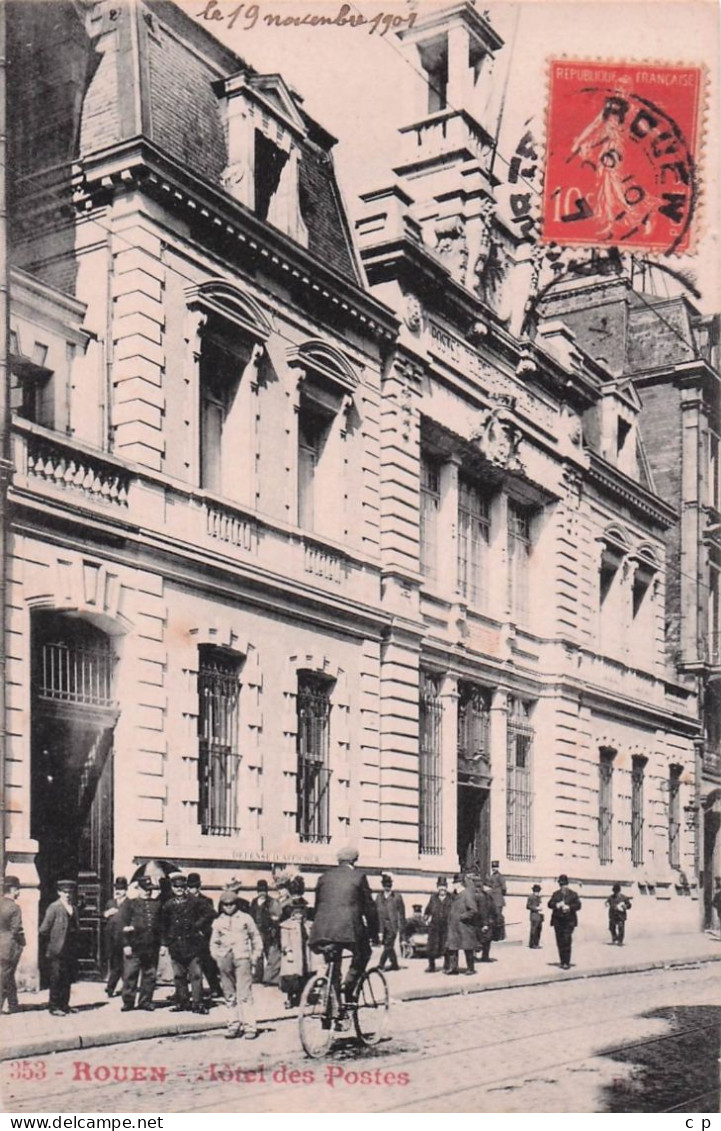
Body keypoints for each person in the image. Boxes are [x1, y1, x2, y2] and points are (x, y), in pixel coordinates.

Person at [309, 845, 378, 1000]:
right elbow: (370, 909)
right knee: (364, 953)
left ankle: (332, 1007)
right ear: (354, 861)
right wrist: (374, 934)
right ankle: (349, 985)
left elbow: (317, 905)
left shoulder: (324, 877)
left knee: (333, 963)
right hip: (349, 931)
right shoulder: (358, 877)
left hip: (322, 931)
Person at [211, 888, 263, 1040]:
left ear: (237, 904)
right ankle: (233, 1025)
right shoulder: (218, 922)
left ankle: (250, 1027)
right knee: (229, 995)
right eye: (225, 904)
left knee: (245, 994)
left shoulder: (246, 919)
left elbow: (256, 939)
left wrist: (254, 956)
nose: (229, 907)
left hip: (242, 959)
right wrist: (218, 957)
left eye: (232, 904)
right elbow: (213, 942)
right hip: (225, 959)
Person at [161, 872, 214, 1014]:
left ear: (185, 887)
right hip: (176, 945)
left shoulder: (194, 901)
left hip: (192, 945)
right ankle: (182, 1002)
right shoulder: (168, 905)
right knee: (179, 975)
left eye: (182, 887)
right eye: (176, 887)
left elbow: (210, 913)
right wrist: (165, 943)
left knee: (196, 975)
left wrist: (197, 926)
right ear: (172, 888)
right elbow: (163, 925)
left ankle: (197, 1003)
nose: (179, 889)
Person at [118, 875, 162, 1011]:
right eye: (144, 889)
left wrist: (162, 945)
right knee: (130, 975)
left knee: (149, 975)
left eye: (149, 889)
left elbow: (161, 927)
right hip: (134, 946)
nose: (147, 892)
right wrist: (126, 944)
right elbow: (122, 926)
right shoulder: (130, 903)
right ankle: (128, 1002)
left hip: (151, 946)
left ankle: (145, 1001)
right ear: (138, 889)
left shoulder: (156, 904)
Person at [38, 880, 79, 1016]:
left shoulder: (73, 907)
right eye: (64, 892)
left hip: (70, 948)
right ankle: (54, 1006)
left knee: (67, 977)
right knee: (56, 977)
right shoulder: (54, 907)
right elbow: (44, 929)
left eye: (70, 892)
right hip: (57, 949)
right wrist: (52, 942)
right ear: (59, 892)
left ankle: (65, 1004)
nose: (67, 895)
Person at [187, 872, 222, 997]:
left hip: (203, 935)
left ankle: (215, 988)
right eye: (190, 887)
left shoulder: (207, 900)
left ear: (199, 887)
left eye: (195, 887)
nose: (193, 890)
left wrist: (201, 928)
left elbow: (211, 916)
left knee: (208, 964)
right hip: (189, 936)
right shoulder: (184, 900)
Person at [279, 895, 311, 1008]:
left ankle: (303, 998)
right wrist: (288, 950)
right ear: (292, 913)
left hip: (304, 954)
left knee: (304, 976)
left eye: (301, 912)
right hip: (293, 954)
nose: (299, 915)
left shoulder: (307, 925)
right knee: (291, 977)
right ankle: (289, 999)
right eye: (296, 913)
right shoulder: (287, 925)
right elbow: (284, 940)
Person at [0, 876, 26, 1014]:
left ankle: (13, 1004)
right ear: (13, 889)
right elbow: (16, 929)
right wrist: (22, 942)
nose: (19, 892)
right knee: (4, 977)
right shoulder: (15, 908)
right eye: (18, 889)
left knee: (8, 975)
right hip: (10, 946)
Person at [250, 880, 282, 985]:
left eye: (264, 890)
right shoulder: (254, 902)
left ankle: (271, 977)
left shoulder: (271, 901)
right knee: (258, 954)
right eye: (260, 891)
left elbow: (275, 917)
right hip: (257, 930)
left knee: (269, 953)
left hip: (267, 931)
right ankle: (258, 976)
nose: (262, 893)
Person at [445, 875, 478, 975]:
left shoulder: (467, 894)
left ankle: (470, 968)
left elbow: (473, 910)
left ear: (459, 884)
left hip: (464, 926)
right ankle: (453, 968)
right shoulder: (454, 895)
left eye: (454, 883)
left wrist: (462, 917)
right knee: (453, 947)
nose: (453, 886)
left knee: (467, 947)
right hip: (454, 927)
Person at [548, 873, 582, 969]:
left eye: (564, 884)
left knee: (567, 940)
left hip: (569, 921)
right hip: (558, 921)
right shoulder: (556, 894)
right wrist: (556, 905)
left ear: (567, 884)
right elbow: (550, 904)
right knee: (560, 941)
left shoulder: (573, 894)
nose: (563, 887)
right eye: (561, 885)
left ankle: (566, 962)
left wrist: (569, 907)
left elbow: (578, 905)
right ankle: (562, 961)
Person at [104, 876, 129, 998]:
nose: (118, 891)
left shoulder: (130, 903)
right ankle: (110, 987)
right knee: (115, 965)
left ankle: (124, 988)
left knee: (125, 966)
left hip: (125, 939)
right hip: (112, 939)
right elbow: (103, 917)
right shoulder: (111, 903)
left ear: (126, 890)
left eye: (121, 889)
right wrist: (106, 914)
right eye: (117, 889)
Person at [375, 873, 406, 972]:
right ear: (382, 886)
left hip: (392, 926)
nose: (387, 887)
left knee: (388, 945)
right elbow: (376, 912)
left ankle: (381, 964)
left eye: (389, 885)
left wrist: (401, 928)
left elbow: (401, 913)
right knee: (388, 946)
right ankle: (395, 964)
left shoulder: (397, 897)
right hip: (382, 926)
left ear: (391, 886)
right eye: (385, 885)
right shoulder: (379, 897)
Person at [424, 876, 452, 973]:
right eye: (440, 886)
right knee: (432, 946)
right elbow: (427, 910)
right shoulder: (433, 898)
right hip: (434, 926)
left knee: (446, 947)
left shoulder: (451, 898)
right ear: (437, 887)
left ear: (447, 887)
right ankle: (431, 966)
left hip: (446, 926)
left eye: (444, 886)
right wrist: (426, 917)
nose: (442, 888)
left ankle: (447, 966)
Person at [475, 878, 498, 961]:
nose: (490, 889)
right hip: (482, 921)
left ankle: (485, 956)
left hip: (488, 920)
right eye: (489, 887)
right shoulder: (482, 896)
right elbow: (482, 910)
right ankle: (480, 956)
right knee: (482, 939)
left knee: (487, 939)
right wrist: (485, 923)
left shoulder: (488, 896)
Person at [489, 861, 507, 941]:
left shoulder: (500, 876)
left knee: (498, 917)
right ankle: (495, 936)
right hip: (492, 899)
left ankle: (500, 936)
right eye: (493, 867)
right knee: (493, 917)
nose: (494, 868)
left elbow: (504, 888)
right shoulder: (491, 876)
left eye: (495, 867)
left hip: (498, 900)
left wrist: (499, 894)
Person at [526, 884, 544, 949]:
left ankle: (537, 943)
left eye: (538, 891)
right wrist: (536, 908)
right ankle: (532, 944)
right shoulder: (531, 897)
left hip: (540, 916)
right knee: (533, 930)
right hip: (534, 915)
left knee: (539, 930)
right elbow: (528, 906)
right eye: (536, 891)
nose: (537, 893)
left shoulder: (539, 897)